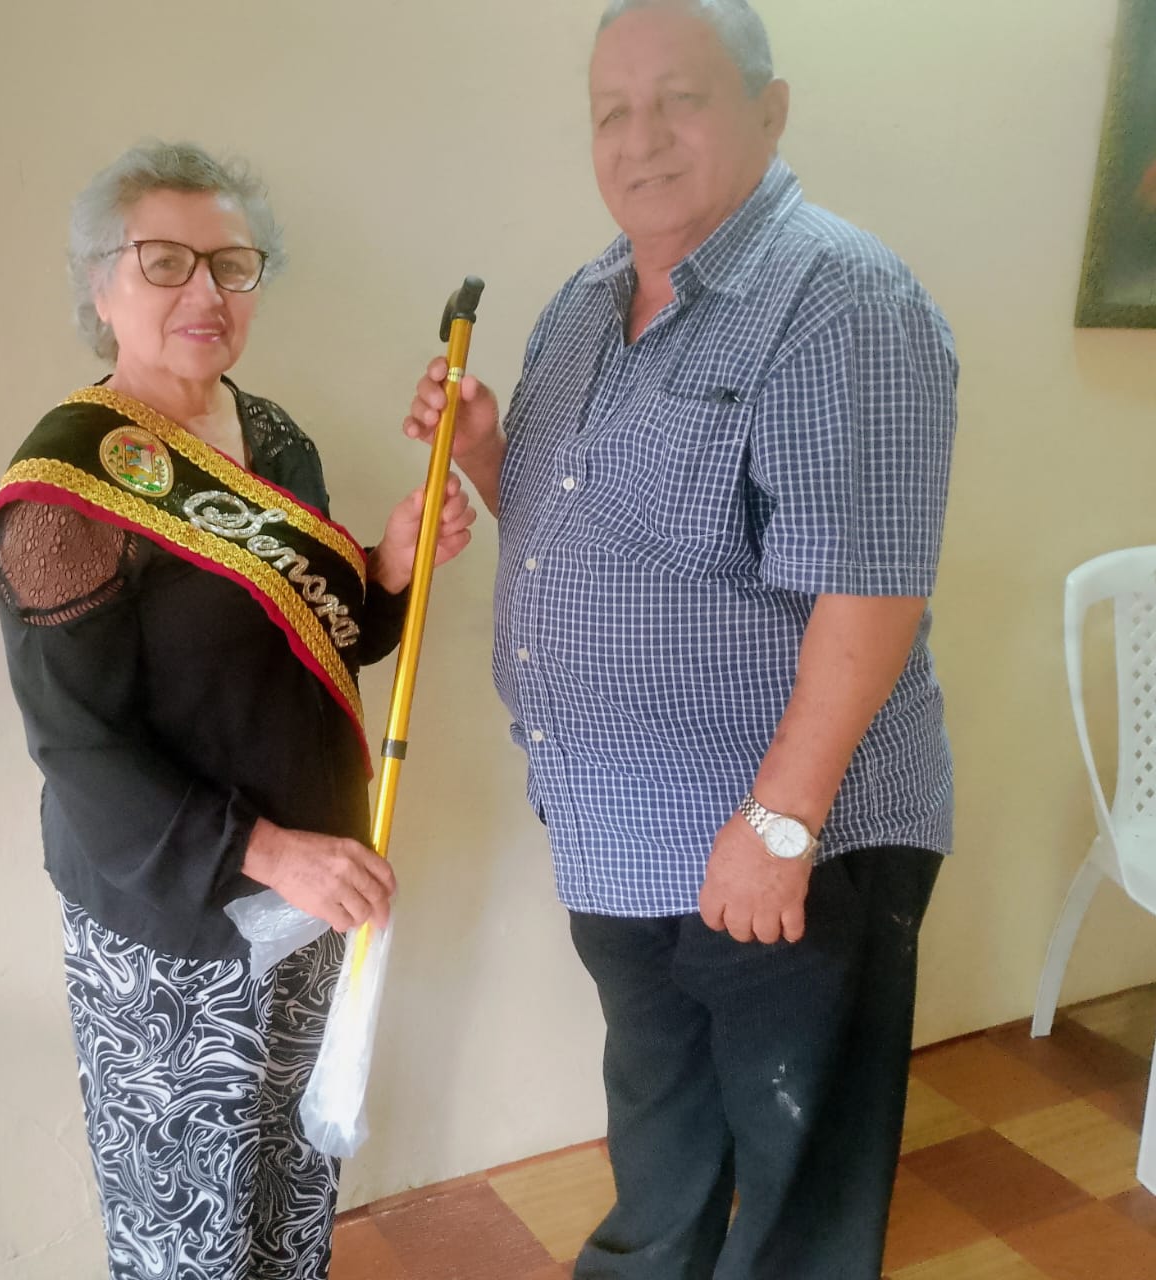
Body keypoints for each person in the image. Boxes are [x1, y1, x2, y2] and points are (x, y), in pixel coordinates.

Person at [404, 2, 957, 1276]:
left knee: (798, 1183)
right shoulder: (585, 300)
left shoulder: (841, 299)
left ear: (769, 109)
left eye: (679, 99)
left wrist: (779, 824)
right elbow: (577, 529)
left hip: (785, 843)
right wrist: (485, 448)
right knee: (661, 1138)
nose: (639, 137)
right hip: (621, 831)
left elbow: (869, 593)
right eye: (612, 110)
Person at [0, 140, 474, 1280]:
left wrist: (390, 568)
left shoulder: (277, 437)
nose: (205, 291)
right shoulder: (64, 493)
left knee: (292, 1192)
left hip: (314, 897)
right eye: (165, 261)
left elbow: (324, 640)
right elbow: (79, 752)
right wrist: (273, 853)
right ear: (101, 285)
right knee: (187, 1224)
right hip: (171, 928)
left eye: (233, 264)